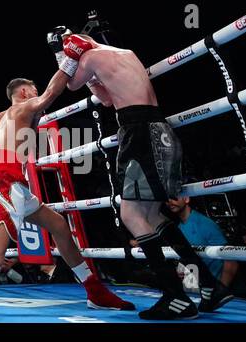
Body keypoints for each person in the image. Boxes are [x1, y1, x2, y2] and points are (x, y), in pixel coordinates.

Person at [0, 72, 134, 312]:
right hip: (6, 181)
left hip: (7, 181)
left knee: (58, 225)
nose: (37, 93)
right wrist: (68, 64)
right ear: (24, 93)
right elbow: (52, 93)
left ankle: (94, 290)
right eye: (33, 89)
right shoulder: (25, 106)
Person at [51, 31, 233, 319]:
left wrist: (62, 55)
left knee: (131, 216)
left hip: (139, 135)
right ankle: (210, 287)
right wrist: (87, 71)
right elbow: (107, 99)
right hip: (159, 131)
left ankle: (176, 297)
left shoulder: (90, 57)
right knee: (154, 216)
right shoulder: (125, 53)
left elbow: (70, 84)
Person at [167, 196, 238, 294]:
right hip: (193, 290)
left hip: (210, 289)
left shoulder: (205, 223)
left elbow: (231, 260)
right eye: (167, 199)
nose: (169, 201)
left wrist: (220, 291)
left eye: (173, 197)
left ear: (186, 199)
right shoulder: (179, 227)